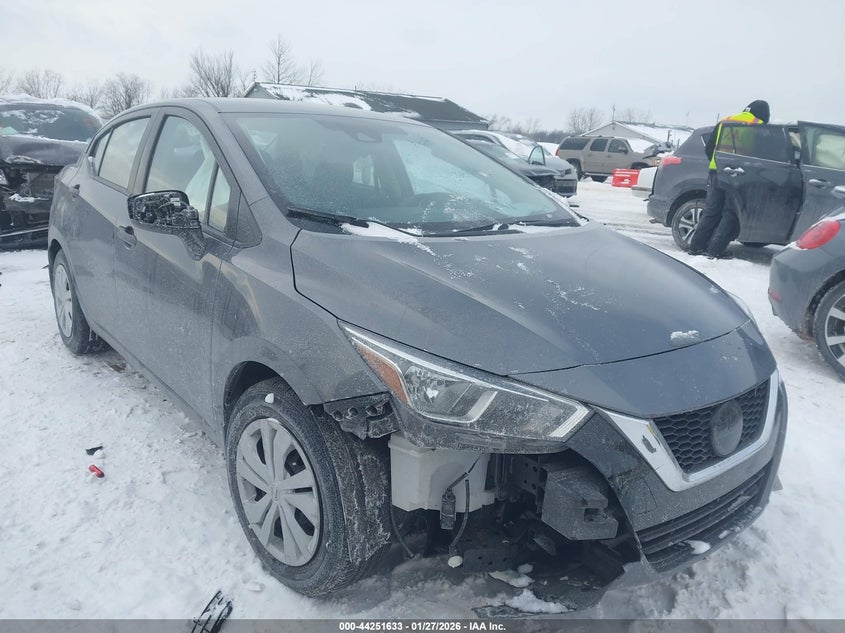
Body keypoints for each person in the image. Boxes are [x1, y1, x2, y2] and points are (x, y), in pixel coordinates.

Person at [688, 100, 770, 259]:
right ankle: (716, 249)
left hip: (716, 171)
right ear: (763, 113)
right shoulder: (758, 125)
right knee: (731, 212)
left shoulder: (726, 121)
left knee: (711, 211)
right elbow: (761, 153)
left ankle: (696, 246)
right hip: (739, 174)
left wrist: (718, 164)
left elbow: (709, 147)